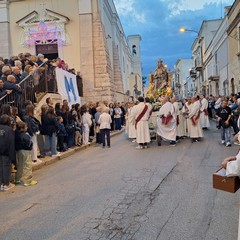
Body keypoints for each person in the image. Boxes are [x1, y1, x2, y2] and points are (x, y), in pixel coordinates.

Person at [15, 121, 38, 187]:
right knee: (27, 165)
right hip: (26, 151)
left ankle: (17, 179)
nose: (27, 128)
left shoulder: (16, 134)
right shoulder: (25, 135)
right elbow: (29, 144)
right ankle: (28, 181)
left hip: (19, 151)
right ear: (22, 128)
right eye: (26, 127)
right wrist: (31, 146)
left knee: (20, 165)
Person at [0, 114, 15, 191]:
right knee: (6, 167)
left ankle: (1, 184)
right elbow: (11, 143)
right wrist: (13, 156)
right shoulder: (9, 129)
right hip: (6, 152)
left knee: (1, 168)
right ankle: (6, 184)